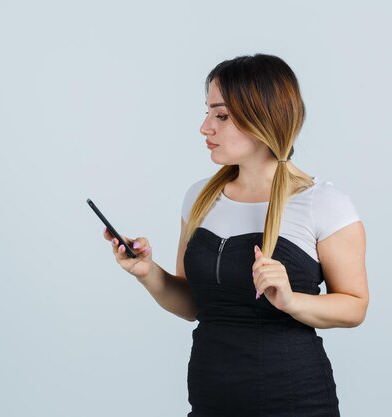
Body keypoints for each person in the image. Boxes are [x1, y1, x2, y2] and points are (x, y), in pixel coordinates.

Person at [102, 53, 368, 417]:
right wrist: (148, 273)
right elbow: (195, 305)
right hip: (210, 402)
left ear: (264, 117)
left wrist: (292, 301)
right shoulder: (199, 198)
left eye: (221, 115)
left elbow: (355, 306)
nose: (205, 127)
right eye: (208, 112)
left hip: (296, 403)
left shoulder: (323, 203)